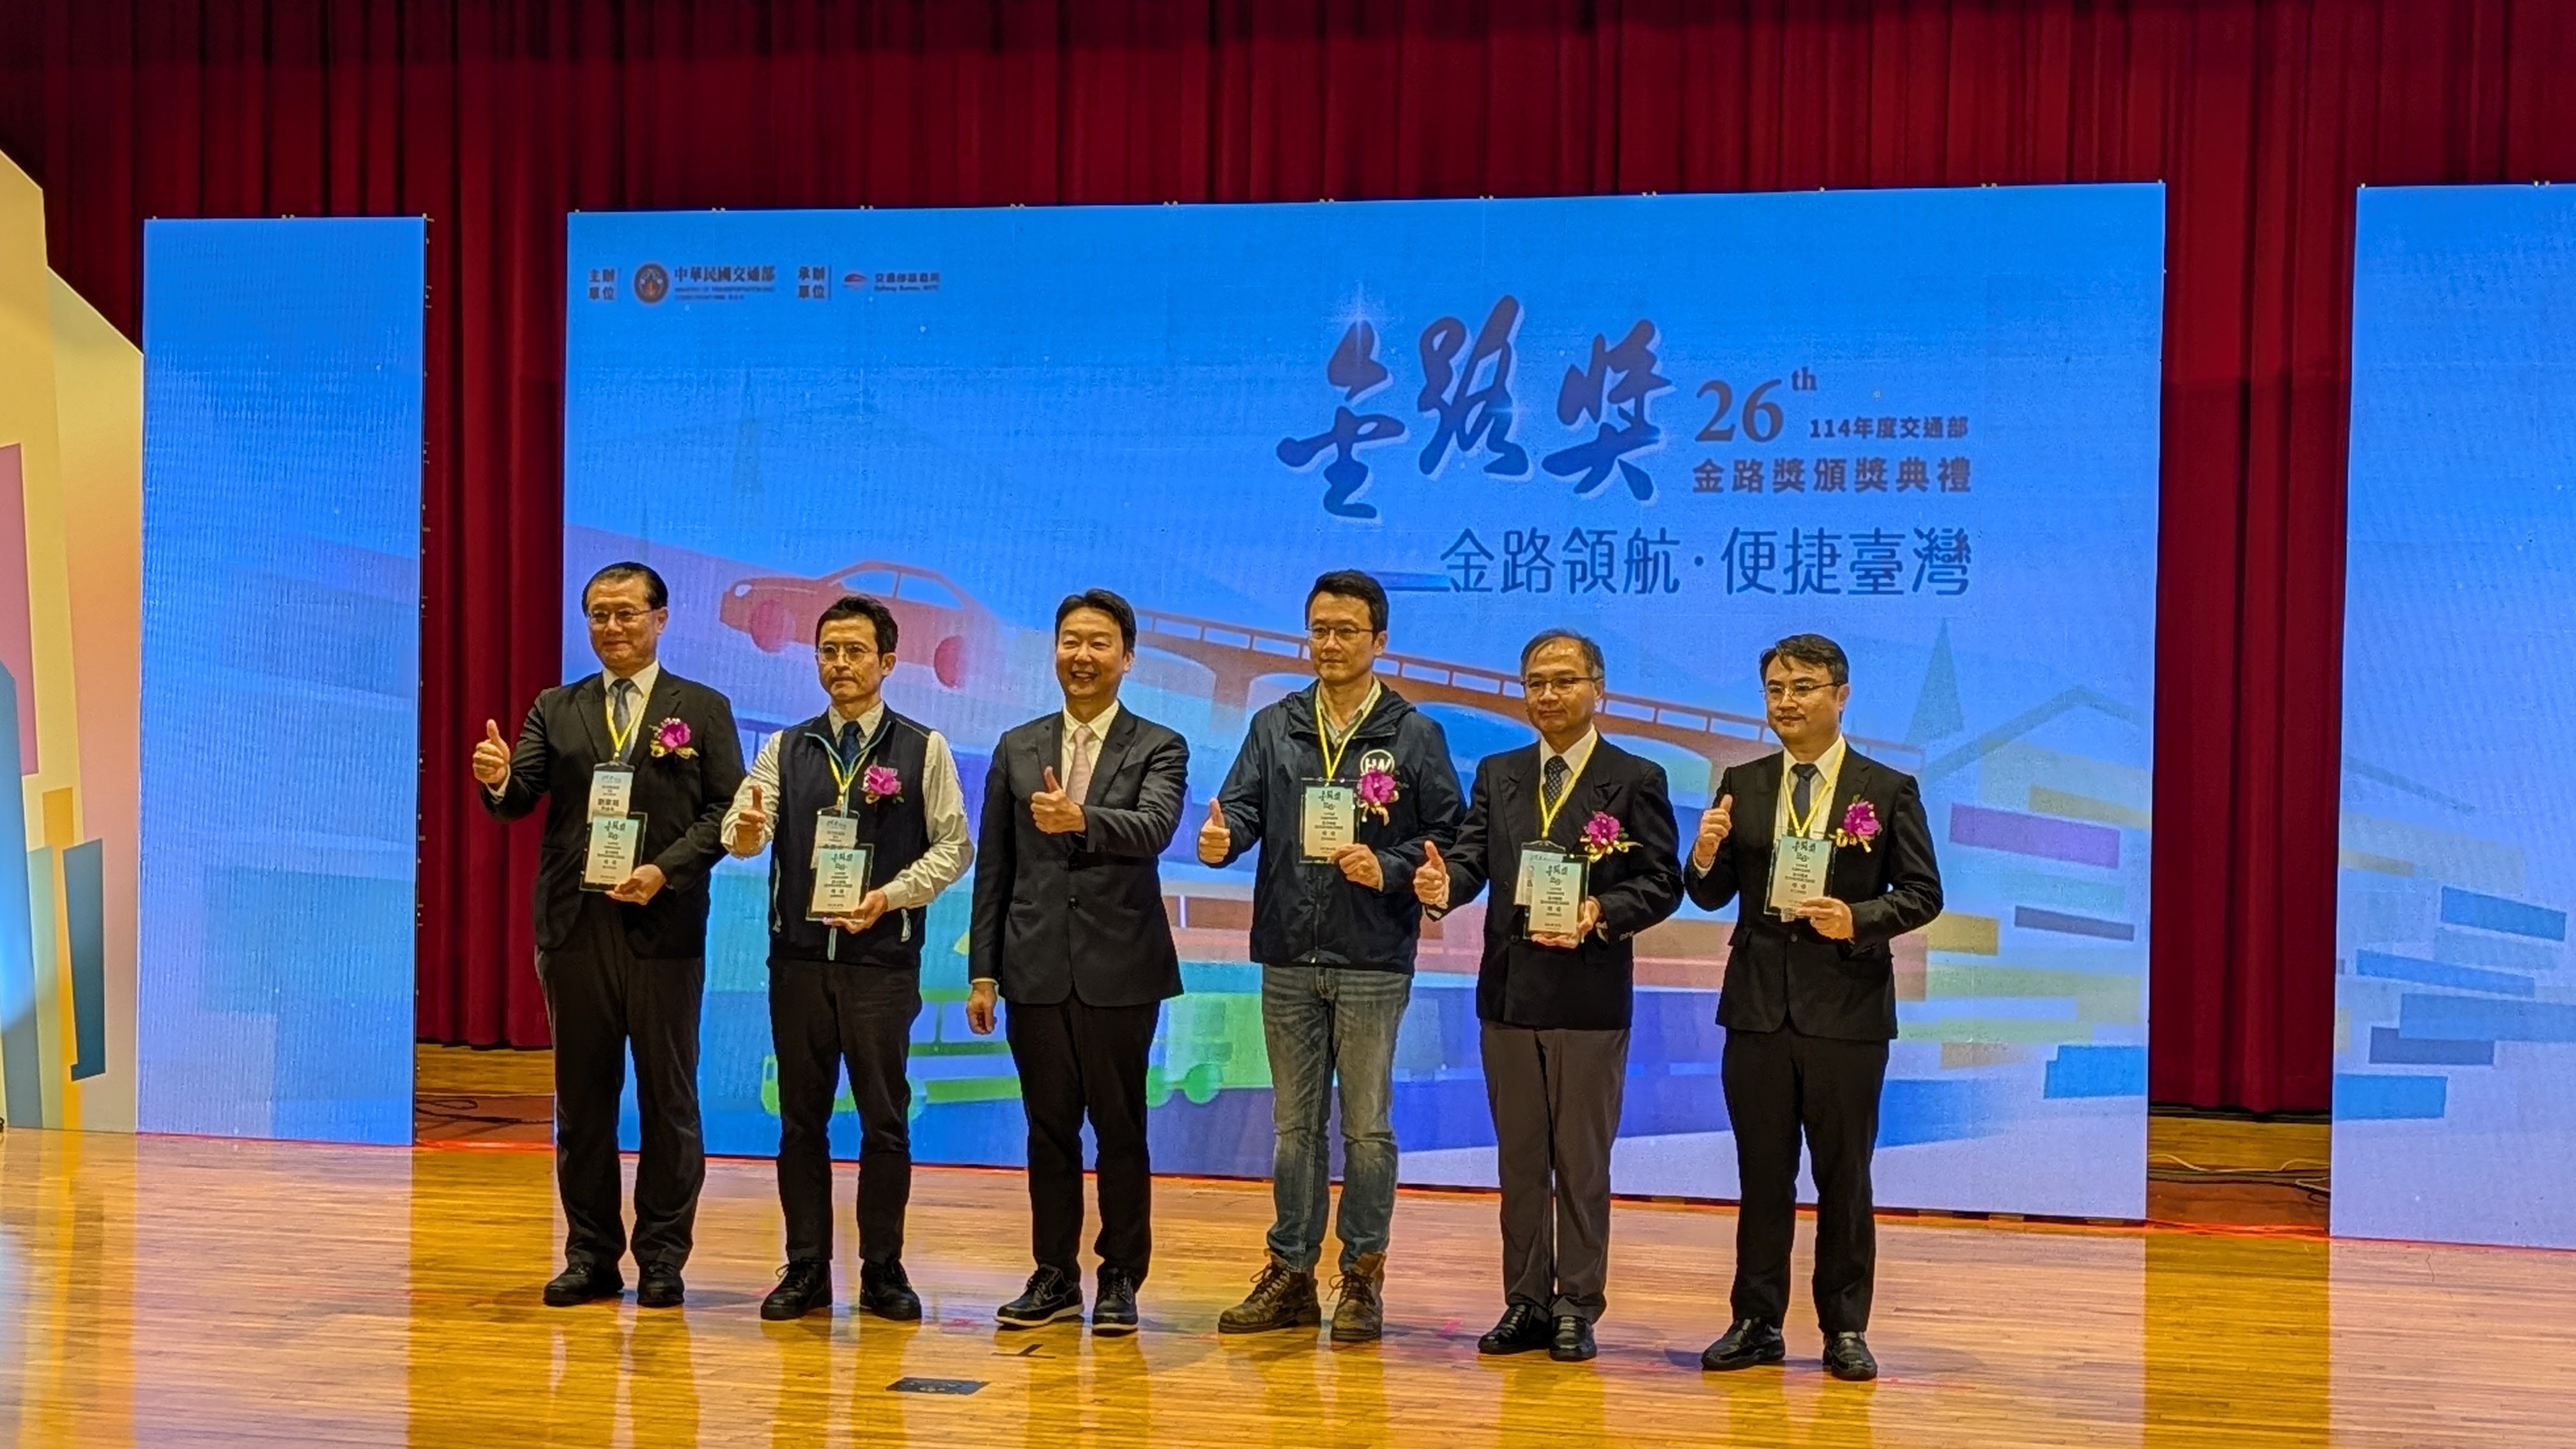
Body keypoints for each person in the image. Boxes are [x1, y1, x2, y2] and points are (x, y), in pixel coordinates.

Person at [473, 560, 745, 1309]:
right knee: (583, 1104)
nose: (613, 627)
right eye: (599, 614)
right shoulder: (556, 707)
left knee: (668, 1100)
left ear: (660, 619)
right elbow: (518, 799)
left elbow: (725, 813)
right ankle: (591, 1255)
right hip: (576, 927)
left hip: (664, 926)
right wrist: (497, 778)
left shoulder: (704, 708)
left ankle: (662, 1257)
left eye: (627, 613)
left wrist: (664, 871)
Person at [1200, 570, 1463, 1344]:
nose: (1330, 644)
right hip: (1289, 949)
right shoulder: (1275, 724)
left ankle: (1362, 1276)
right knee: (1294, 1127)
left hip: (1372, 953)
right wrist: (1223, 838)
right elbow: (1241, 807)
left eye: (1347, 631)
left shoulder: (1414, 735)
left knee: (1367, 1128)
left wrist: (1388, 865)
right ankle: (1290, 1274)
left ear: (1380, 641)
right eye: (1319, 629)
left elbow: (1451, 836)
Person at [1410, 629, 1682, 1363]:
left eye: (1564, 680)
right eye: (1536, 682)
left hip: (1589, 997)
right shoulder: (1499, 773)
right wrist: (1442, 885)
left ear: (1599, 688)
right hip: (1509, 994)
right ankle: (1526, 1301)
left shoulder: (1635, 777)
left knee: (1583, 1164)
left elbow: (1663, 882)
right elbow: (1470, 859)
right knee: (1521, 1161)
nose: (1549, 695)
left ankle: (1577, 1306)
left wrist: (1602, 911)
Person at [1684, 633, 1942, 1383]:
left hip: (1847, 1011)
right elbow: (1710, 894)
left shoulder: (1886, 789)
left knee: (1844, 1178)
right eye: (1774, 689)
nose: (1786, 702)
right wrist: (1704, 853)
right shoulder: (1744, 781)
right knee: (1762, 1177)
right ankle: (1756, 1321)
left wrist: (1857, 918)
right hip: (1758, 1011)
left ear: (1841, 695)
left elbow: (1923, 893)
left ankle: (1845, 1328)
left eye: (1802, 687)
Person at [721, 594, 972, 1323]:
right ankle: (805, 1268)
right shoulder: (784, 748)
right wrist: (746, 829)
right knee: (800, 1122)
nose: (840, 664)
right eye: (828, 651)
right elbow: (741, 836)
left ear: (888, 661)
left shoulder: (923, 747)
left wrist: (889, 897)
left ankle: (883, 1270)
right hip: (799, 962)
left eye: (855, 651)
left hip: (880, 963)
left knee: (884, 1121)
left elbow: (955, 846)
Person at [965, 588, 1190, 1337]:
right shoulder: (1017, 746)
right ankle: (1054, 1274)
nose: (1082, 656)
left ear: (1127, 658)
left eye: (1098, 643)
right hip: (1032, 969)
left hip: (1120, 971)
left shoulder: (1160, 745)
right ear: (1054, 651)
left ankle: (1121, 1275)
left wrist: (1081, 819)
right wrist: (984, 972)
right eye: (1070, 641)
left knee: (1121, 1130)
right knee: (1048, 1130)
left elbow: (1155, 827)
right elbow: (995, 867)